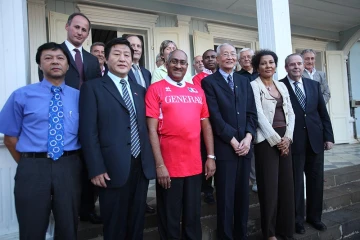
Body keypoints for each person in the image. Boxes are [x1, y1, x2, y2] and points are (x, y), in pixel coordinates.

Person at [0, 42, 81, 239]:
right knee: (31, 227)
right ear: (39, 64)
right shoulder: (21, 95)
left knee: (68, 227)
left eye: (60, 58)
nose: (55, 62)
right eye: (48, 58)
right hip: (33, 168)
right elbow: (10, 138)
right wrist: (29, 162)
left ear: (68, 65)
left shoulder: (80, 97)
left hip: (68, 166)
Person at [79, 37, 156, 240]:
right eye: (117, 54)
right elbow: (88, 131)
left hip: (141, 166)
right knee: (114, 226)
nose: (122, 59)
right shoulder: (92, 88)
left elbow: (144, 127)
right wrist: (96, 168)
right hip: (111, 168)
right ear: (105, 58)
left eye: (127, 55)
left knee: (137, 222)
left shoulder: (140, 90)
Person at [38, 12, 103, 224]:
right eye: (77, 27)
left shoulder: (93, 60)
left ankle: (87, 209)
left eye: (84, 30)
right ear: (67, 27)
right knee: (64, 170)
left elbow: (95, 90)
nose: (80, 32)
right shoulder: (54, 53)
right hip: (61, 120)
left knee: (87, 166)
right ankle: (65, 212)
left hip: (87, 120)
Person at [146, 49, 216, 240]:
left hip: (194, 165)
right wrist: (159, 165)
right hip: (169, 167)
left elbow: (206, 124)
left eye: (183, 62)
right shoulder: (156, 89)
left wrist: (210, 156)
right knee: (170, 218)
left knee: (193, 216)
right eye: (174, 61)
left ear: (188, 66)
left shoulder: (197, 90)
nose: (178, 66)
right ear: (166, 63)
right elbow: (151, 130)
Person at [202, 43, 257, 240]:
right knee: (225, 198)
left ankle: (241, 235)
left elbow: (252, 112)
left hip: (245, 147)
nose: (230, 57)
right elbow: (214, 116)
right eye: (225, 54)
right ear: (217, 59)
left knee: (243, 196)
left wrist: (249, 137)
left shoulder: (244, 81)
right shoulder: (209, 83)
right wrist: (233, 141)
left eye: (233, 54)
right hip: (226, 148)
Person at [280, 53, 334, 235]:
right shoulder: (280, 86)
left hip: (316, 141)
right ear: (286, 67)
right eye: (292, 64)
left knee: (316, 181)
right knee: (296, 183)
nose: (296, 67)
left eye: (299, 64)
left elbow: (322, 112)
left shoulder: (313, 85)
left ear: (304, 67)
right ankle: (297, 220)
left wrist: (329, 137)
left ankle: (315, 217)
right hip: (294, 142)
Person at [250, 50, 295, 240]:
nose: (268, 66)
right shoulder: (253, 85)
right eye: (263, 63)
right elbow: (258, 115)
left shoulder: (282, 86)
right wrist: (277, 140)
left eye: (271, 62)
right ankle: (269, 233)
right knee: (269, 188)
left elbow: (291, 113)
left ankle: (286, 229)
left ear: (276, 65)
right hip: (266, 141)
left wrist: (288, 138)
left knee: (287, 187)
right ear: (257, 67)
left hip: (285, 139)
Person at [125, 34, 155, 213]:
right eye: (132, 45)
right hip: (127, 126)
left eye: (139, 46)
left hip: (144, 125)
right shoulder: (121, 70)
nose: (136, 48)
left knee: (142, 168)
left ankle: (140, 202)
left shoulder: (145, 72)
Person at [192, 49, 217, 204]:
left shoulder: (223, 75)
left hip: (222, 123)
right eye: (206, 58)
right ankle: (207, 189)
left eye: (213, 57)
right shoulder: (198, 78)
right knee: (206, 155)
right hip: (206, 121)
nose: (209, 60)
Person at [235, 47, 259, 193]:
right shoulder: (237, 76)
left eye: (249, 56)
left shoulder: (261, 74)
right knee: (250, 149)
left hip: (263, 117)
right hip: (246, 117)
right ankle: (254, 180)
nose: (246, 59)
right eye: (243, 57)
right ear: (239, 60)